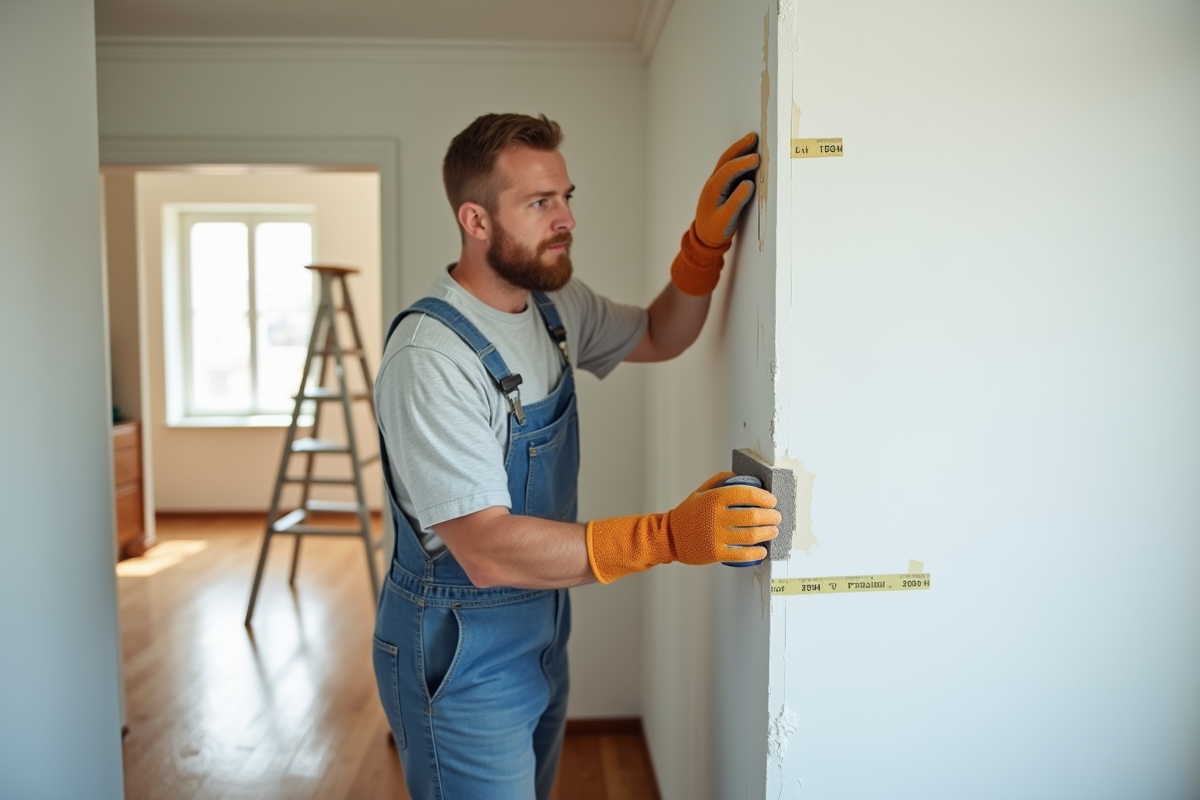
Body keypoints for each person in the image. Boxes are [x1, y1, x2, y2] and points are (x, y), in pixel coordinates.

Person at [372, 113, 781, 800]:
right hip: (460, 652)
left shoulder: (553, 305)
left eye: (566, 197)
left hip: (542, 624)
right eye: (539, 203)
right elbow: (488, 550)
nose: (565, 219)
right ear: (475, 220)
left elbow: (660, 332)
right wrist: (669, 536)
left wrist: (704, 244)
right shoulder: (430, 358)